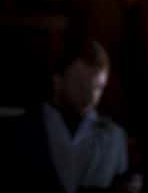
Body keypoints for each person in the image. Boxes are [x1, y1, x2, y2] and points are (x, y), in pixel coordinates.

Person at [7, 36, 129, 192]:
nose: (90, 97)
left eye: (98, 87)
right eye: (79, 84)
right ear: (58, 81)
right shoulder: (22, 131)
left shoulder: (115, 138)